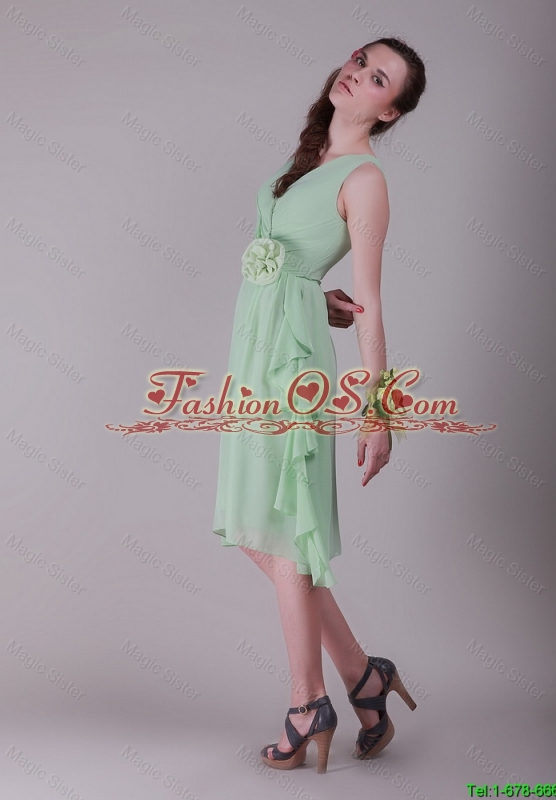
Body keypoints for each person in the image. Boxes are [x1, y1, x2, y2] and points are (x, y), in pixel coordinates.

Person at [212, 37, 427, 773]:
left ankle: (308, 702)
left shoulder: (365, 179)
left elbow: (371, 301)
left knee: (281, 534)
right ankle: (365, 677)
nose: (357, 74)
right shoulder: (304, 158)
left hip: (291, 364)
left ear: (389, 111)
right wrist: (309, 292)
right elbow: (296, 260)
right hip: (259, 349)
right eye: (361, 60)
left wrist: (377, 410)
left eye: (378, 78)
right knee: (265, 532)